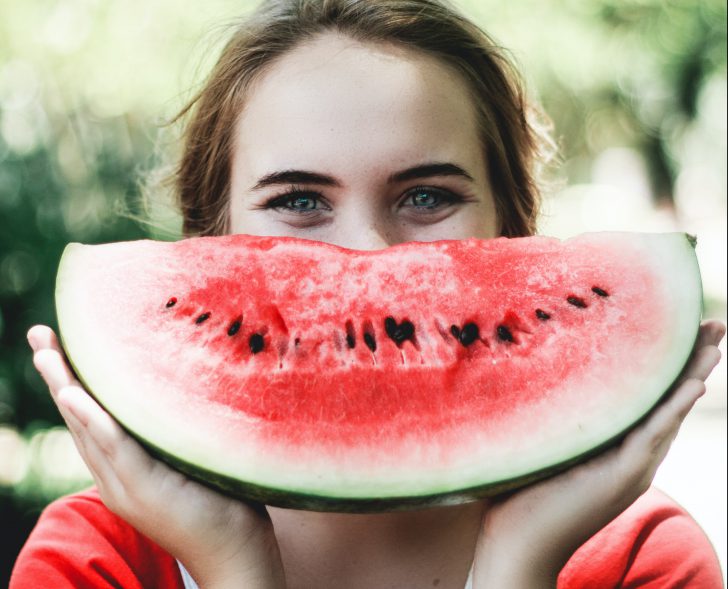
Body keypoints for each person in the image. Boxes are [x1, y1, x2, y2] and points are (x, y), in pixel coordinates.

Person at [11, 0, 726, 587]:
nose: (367, 257)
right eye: (297, 200)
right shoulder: (95, 561)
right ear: (210, 239)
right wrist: (232, 562)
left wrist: (520, 564)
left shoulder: (640, 559)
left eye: (425, 194)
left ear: (514, 229)